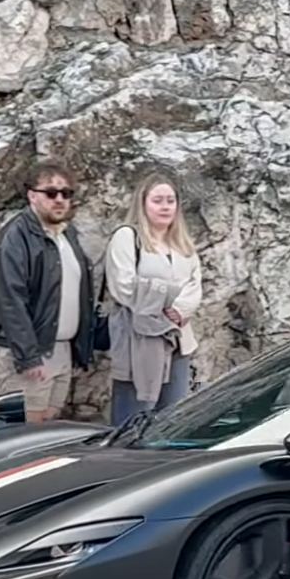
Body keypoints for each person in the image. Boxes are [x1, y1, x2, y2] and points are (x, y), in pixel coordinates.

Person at [0, 161, 101, 423]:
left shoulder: (68, 234)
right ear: (32, 195)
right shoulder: (14, 238)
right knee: (21, 431)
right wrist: (28, 356)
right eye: (51, 193)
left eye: (66, 193)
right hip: (27, 351)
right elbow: (9, 300)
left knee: (47, 425)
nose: (60, 200)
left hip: (60, 348)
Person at [105, 170, 203, 424]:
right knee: (134, 414)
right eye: (157, 200)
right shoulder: (128, 238)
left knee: (172, 413)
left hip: (178, 337)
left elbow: (194, 285)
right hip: (140, 338)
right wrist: (162, 302)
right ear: (143, 202)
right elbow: (123, 286)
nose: (165, 207)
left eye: (170, 201)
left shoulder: (182, 244)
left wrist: (179, 310)